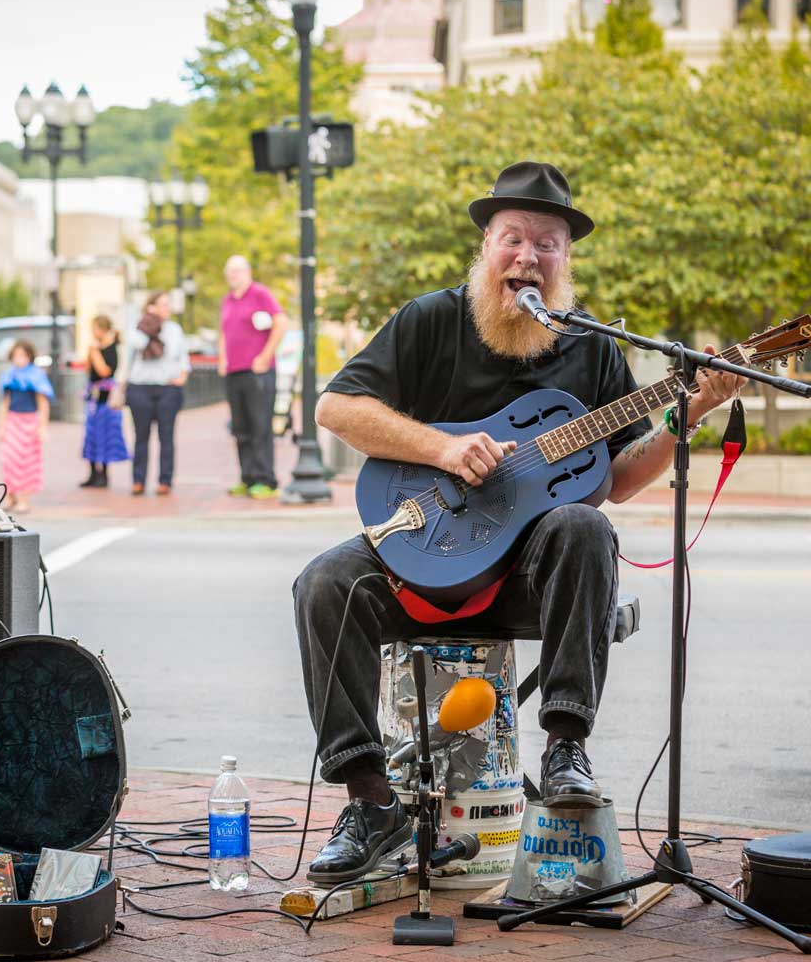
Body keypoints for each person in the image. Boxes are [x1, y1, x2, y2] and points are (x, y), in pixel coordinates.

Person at [293, 161, 745, 885]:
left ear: (567, 262)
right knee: (322, 583)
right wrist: (442, 448)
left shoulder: (592, 348)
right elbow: (336, 410)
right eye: (513, 239)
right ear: (487, 249)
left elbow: (619, 479)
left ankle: (565, 746)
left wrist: (690, 411)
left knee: (583, 525)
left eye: (548, 243)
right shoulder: (430, 320)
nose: (528, 256)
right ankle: (370, 800)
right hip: (423, 552)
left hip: (524, 580)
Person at [218, 255, 287, 500]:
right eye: (230, 271)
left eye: (237, 270)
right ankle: (247, 478)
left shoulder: (260, 294)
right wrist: (222, 357)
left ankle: (265, 480)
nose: (233, 275)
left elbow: (281, 322)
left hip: (258, 372)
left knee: (260, 425)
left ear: (247, 272)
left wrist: (265, 356)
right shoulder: (227, 300)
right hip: (234, 372)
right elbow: (224, 332)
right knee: (240, 428)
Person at [126, 290, 190, 496]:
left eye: (168, 304)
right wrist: (150, 324)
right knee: (141, 437)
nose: (167, 308)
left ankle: (165, 480)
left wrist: (181, 377)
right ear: (150, 307)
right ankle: (138, 480)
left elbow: (182, 357)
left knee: (167, 436)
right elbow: (136, 345)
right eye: (162, 304)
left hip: (167, 388)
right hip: (140, 387)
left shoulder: (174, 330)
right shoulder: (138, 328)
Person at [0, 339, 53, 514]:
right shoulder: (9, 376)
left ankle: (24, 499)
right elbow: (5, 403)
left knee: (27, 461)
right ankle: (11, 495)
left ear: (29, 356)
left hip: (29, 422)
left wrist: (43, 426)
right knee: (9, 459)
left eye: (22, 355)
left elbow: (43, 402)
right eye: (16, 355)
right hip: (12, 421)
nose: (19, 359)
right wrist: (1, 426)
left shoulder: (36, 376)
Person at [80, 314, 129, 488]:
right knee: (91, 436)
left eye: (95, 328)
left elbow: (104, 372)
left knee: (105, 436)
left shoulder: (111, 349)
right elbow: (88, 369)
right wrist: (90, 352)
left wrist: (94, 352)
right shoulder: (94, 348)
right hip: (93, 399)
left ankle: (104, 474)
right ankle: (93, 472)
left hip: (106, 401)